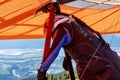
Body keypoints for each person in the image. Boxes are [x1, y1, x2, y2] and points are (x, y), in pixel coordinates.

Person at [37, 3, 120, 80]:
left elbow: (54, 51)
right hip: (111, 59)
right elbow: (78, 42)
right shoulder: (73, 23)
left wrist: (42, 70)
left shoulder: (61, 29)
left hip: (98, 67)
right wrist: (66, 59)